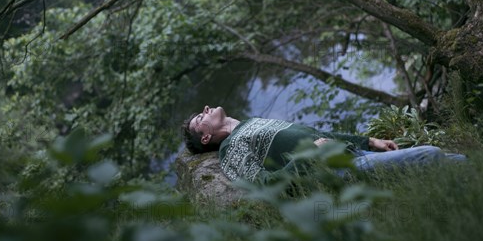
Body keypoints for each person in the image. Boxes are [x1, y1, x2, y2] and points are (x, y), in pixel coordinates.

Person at [181, 105, 466, 183]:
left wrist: (370, 140)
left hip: (355, 153)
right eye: (200, 118)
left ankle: (476, 172)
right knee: (431, 154)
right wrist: (307, 156)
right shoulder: (231, 150)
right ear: (205, 138)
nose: (205, 108)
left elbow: (317, 132)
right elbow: (265, 184)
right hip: (338, 169)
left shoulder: (251, 122)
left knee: (450, 161)